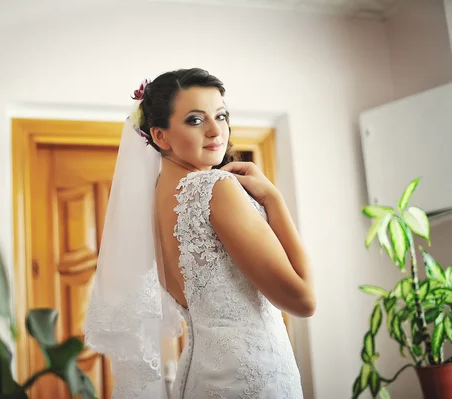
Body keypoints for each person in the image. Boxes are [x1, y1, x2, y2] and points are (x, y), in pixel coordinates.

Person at [84, 68, 315, 399]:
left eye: (221, 116)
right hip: (253, 379)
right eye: (195, 120)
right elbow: (304, 300)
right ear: (160, 136)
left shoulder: (151, 204)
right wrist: (273, 198)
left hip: (196, 380)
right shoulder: (215, 188)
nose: (215, 130)